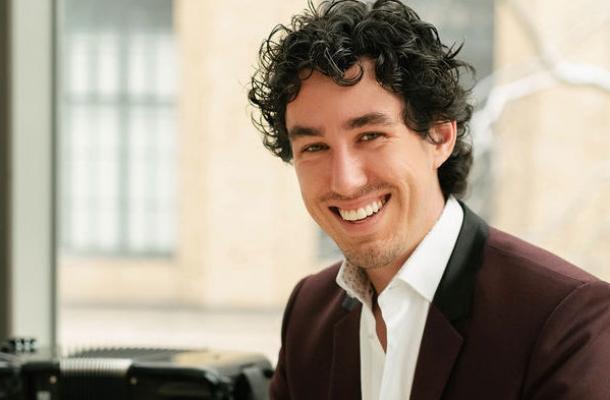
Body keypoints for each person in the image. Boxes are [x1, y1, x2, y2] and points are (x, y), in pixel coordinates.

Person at [247, 1, 610, 399]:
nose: (345, 181)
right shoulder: (308, 313)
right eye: (315, 147)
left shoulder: (566, 320)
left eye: (370, 136)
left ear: (439, 137)